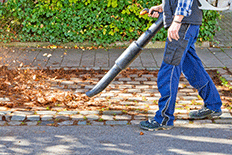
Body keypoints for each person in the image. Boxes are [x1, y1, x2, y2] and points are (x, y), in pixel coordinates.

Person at [140, 0, 222, 131]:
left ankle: (164, 118)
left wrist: (177, 21)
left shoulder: (180, 21)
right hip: (189, 23)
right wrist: (163, 7)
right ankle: (213, 105)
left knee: (169, 70)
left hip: (183, 24)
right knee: (192, 67)